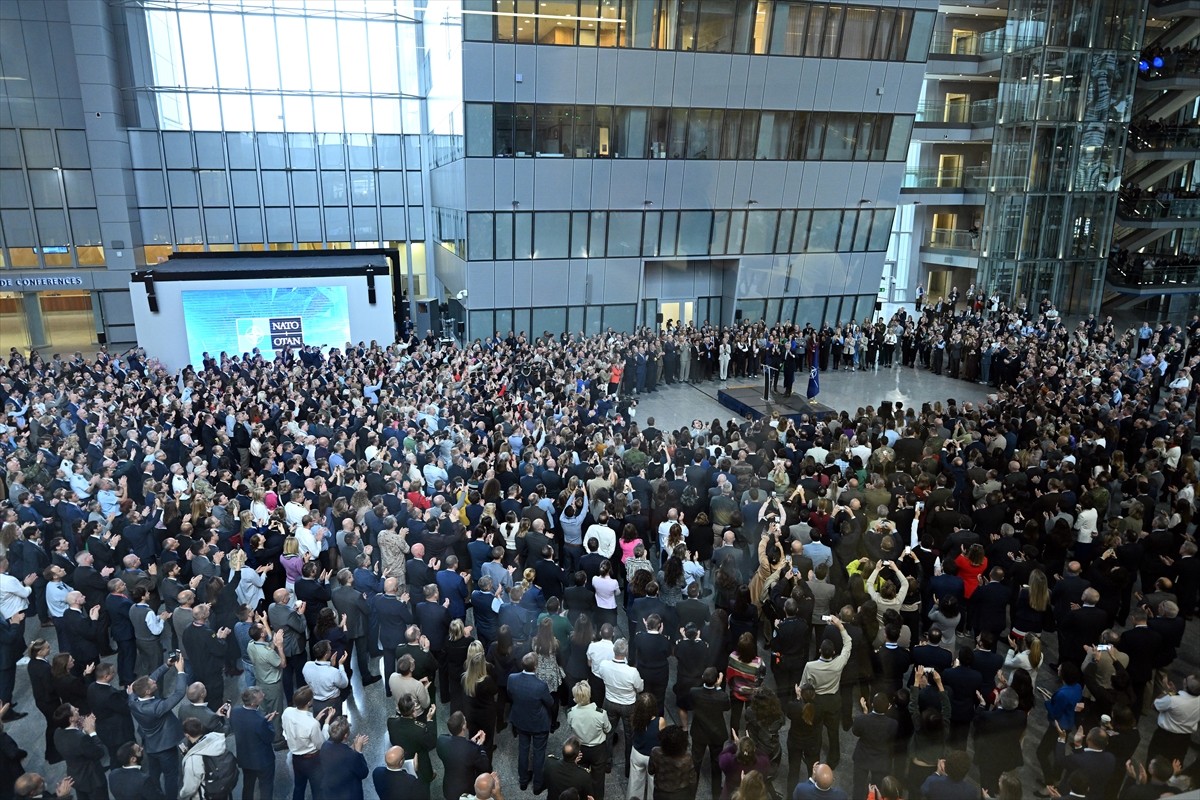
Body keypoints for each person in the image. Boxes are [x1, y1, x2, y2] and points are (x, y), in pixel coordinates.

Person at [129, 655, 190, 800]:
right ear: (148, 692)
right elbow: (179, 693)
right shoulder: (156, 708)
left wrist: (166, 665)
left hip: (150, 744)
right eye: (152, 684)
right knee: (171, 776)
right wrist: (180, 671)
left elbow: (150, 679)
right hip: (165, 747)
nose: (155, 682)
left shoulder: (132, 699)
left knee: (154, 773)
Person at [800, 615, 851, 768]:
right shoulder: (839, 663)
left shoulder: (811, 666)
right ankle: (834, 758)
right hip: (833, 699)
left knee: (815, 730)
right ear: (834, 651)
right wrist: (841, 627)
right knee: (833, 731)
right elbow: (848, 644)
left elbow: (804, 685)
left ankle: (813, 758)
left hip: (817, 700)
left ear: (820, 650)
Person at [507, 651, 555, 793]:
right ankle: (538, 785)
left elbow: (510, 695)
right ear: (535, 666)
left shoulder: (512, 679)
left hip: (521, 720)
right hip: (538, 723)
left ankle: (523, 781)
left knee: (523, 749)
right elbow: (550, 702)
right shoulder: (540, 686)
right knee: (539, 753)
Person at [281, 686, 335, 800]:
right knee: (318, 789)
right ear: (309, 702)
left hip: (296, 758)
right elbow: (321, 744)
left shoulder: (287, 712)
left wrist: (315, 719)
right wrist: (326, 722)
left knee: (299, 787)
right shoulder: (312, 724)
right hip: (312, 761)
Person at [52, 703, 107, 800]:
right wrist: (92, 732)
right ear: (71, 719)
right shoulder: (81, 739)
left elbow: (74, 748)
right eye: (75, 710)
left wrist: (82, 731)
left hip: (76, 777)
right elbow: (99, 752)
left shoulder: (57, 733)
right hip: (92, 779)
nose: (77, 709)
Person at [231, 687, 277, 800]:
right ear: (252, 703)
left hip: (245, 758)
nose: (264, 696)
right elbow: (269, 737)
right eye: (261, 696)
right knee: (266, 787)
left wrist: (263, 721)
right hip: (263, 761)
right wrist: (269, 723)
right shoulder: (260, 720)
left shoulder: (235, 712)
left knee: (248, 785)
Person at [436, 711, 490, 800]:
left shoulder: (441, 740)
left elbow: (457, 750)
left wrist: (470, 743)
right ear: (463, 726)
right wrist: (480, 746)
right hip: (466, 790)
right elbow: (485, 766)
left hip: (449, 787)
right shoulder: (473, 749)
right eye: (464, 720)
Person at [317, 715, 370, 800]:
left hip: (331, 792)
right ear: (345, 735)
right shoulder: (352, 756)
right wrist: (358, 751)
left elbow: (340, 752)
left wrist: (353, 746)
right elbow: (364, 773)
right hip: (349, 794)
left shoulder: (325, 745)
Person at [179, 716, 229, 800]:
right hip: (222, 789)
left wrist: (181, 796)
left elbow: (189, 788)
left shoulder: (193, 760)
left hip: (205, 795)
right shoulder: (217, 740)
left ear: (187, 735)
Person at [647, 724, 698, 800]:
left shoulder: (655, 752)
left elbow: (651, 771)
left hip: (661, 793)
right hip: (681, 794)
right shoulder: (687, 758)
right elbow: (692, 780)